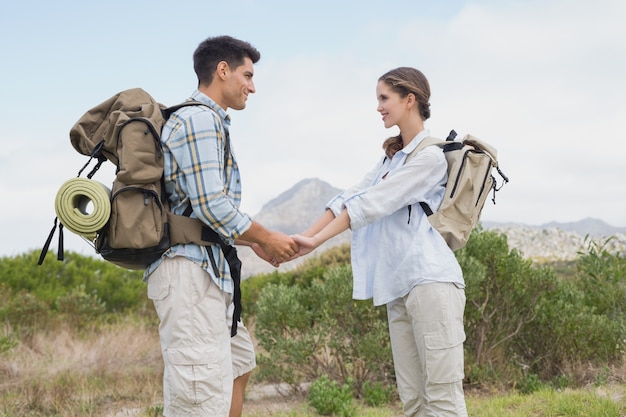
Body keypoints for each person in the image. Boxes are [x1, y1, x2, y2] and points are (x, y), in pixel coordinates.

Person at [291, 67, 468, 417]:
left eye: (384, 98)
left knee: (443, 400)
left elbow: (372, 204)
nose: (379, 107)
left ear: (409, 99)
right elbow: (349, 197)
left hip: (431, 283)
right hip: (398, 288)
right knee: (414, 402)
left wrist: (316, 242)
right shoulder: (392, 159)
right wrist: (303, 241)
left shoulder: (430, 159)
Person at [145, 35, 298, 417]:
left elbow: (201, 212)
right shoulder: (199, 119)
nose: (252, 85)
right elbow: (212, 204)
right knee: (198, 399)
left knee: (238, 365)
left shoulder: (209, 121)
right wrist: (267, 237)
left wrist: (252, 244)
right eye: (247, 75)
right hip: (189, 275)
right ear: (223, 70)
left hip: (208, 272)